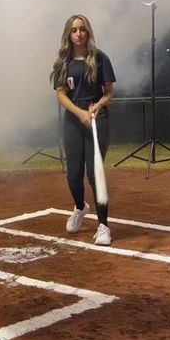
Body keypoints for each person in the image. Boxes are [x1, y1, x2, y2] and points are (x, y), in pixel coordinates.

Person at [50, 14, 116, 244]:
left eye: (83, 29)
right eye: (74, 30)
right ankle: (80, 207)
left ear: (88, 32)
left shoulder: (99, 58)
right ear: (69, 34)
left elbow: (109, 92)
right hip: (74, 119)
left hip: (98, 118)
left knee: (94, 173)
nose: (79, 34)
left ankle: (103, 226)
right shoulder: (63, 61)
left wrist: (98, 106)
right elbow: (60, 94)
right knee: (73, 175)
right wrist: (79, 113)